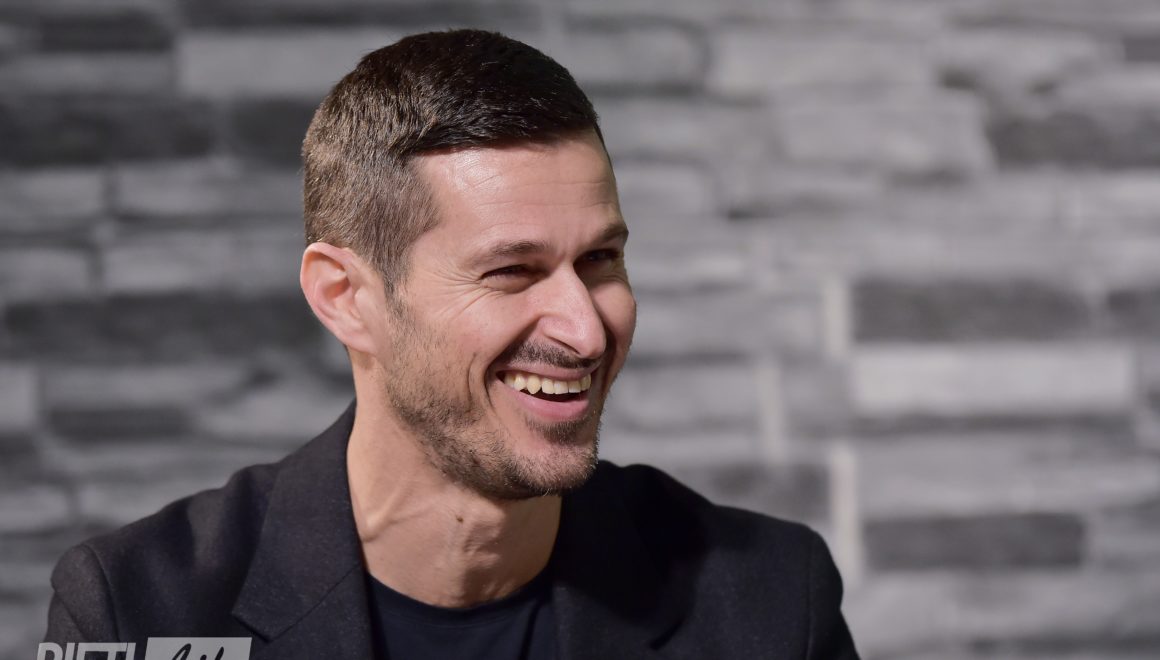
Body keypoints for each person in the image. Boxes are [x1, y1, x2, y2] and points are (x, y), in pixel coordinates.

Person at [44, 29, 859, 659]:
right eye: (511, 271)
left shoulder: (770, 600)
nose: (585, 329)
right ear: (345, 298)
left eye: (600, 261)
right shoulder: (135, 610)